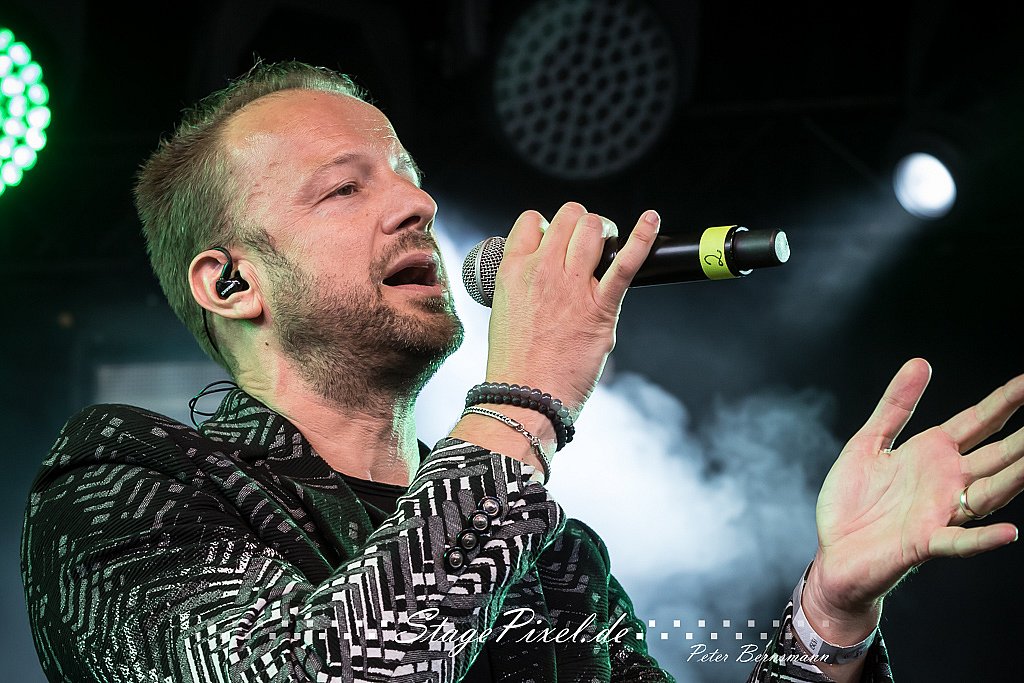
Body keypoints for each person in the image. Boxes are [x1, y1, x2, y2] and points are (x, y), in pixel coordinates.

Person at [20, 61, 1023, 683]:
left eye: (410, 177)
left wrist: (829, 616)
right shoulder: (122, 483)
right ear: (232, 280)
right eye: (344, 189)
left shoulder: (550, 555)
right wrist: (521, 399)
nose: (417, 206)